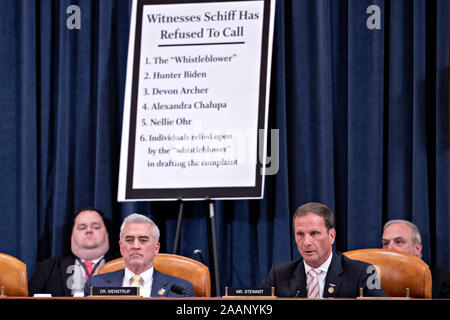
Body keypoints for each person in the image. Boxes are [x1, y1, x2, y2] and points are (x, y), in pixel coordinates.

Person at [262, 202, 386, 298]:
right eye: (300, 234)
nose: (306, 242)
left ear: (331, 236)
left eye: (314, 233)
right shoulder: (279, 275)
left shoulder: (364, 272)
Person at [84, 213, 194, 297]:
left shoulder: (181, 290)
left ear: (156, 248)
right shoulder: (95, 285)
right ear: (121, 247)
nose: (135, 246)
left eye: (143, 240)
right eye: (129, 240)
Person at [28, 207, 118, 296]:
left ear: (107, 233)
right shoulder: (47, 268)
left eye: (96, 227)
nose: (89, 230)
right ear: (72, 235)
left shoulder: (124, 266)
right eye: (82, 228)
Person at [382, 219, 450, 298]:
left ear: (417, 248)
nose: (389, 248)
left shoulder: (443, 282)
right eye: (385, 243)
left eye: (398, 241)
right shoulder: (372, 282)